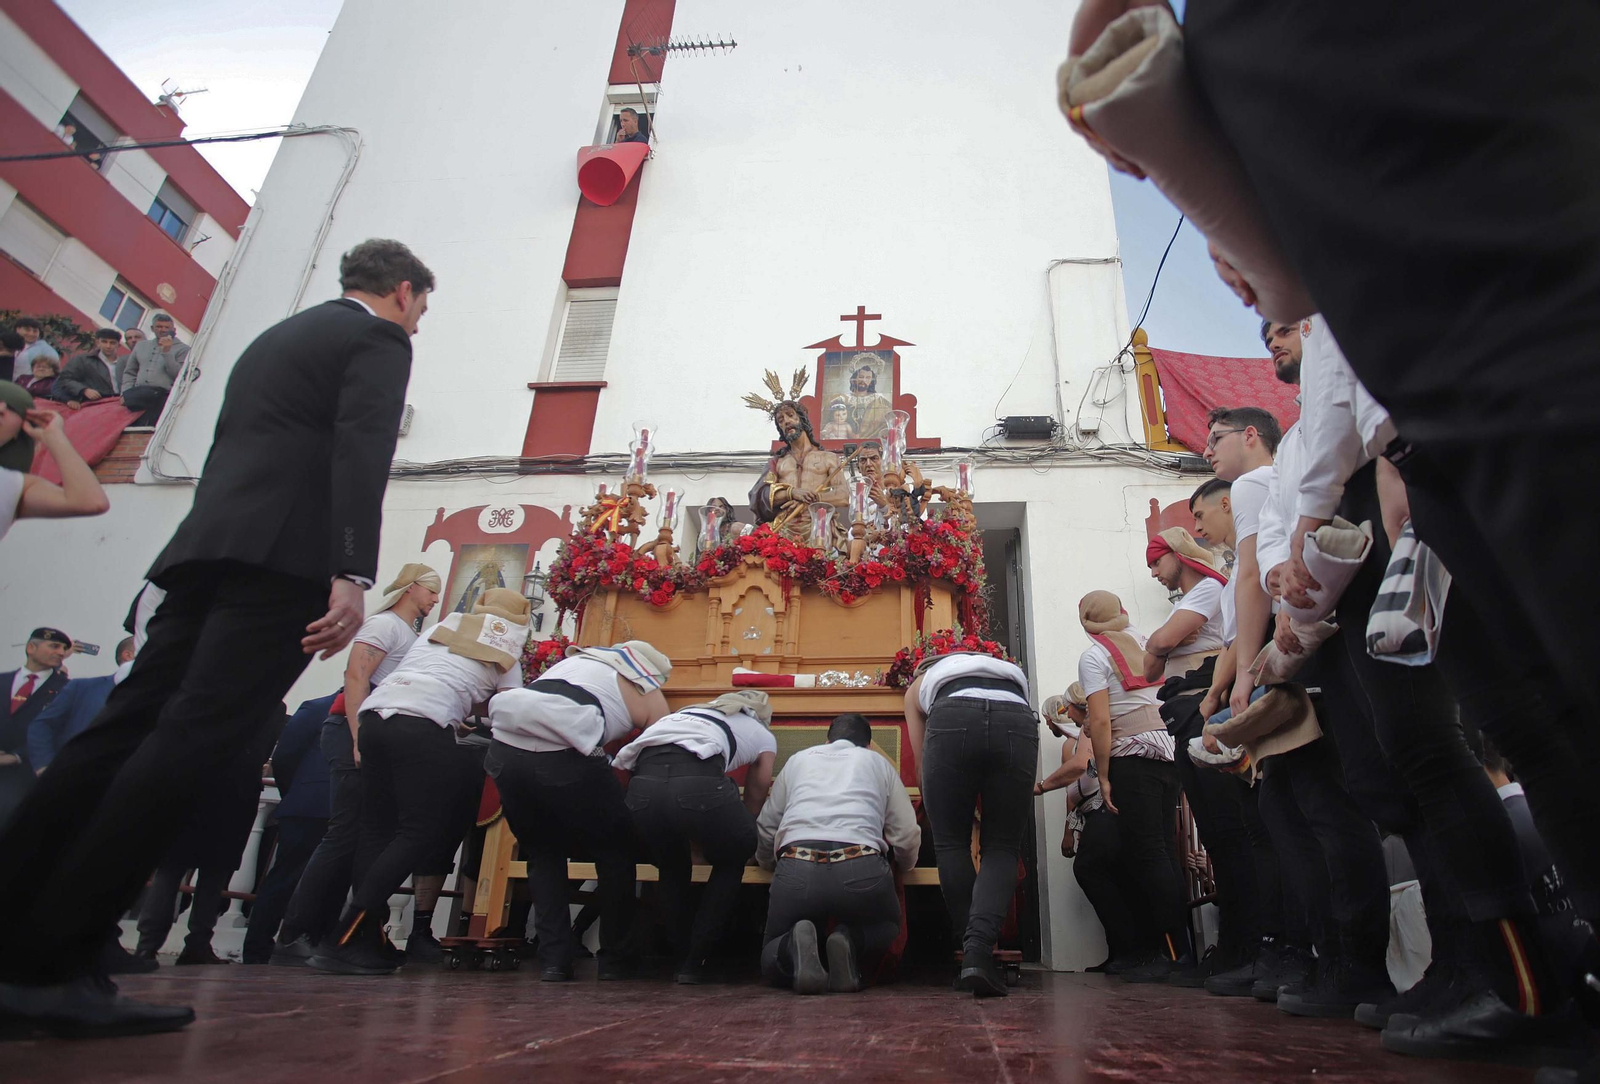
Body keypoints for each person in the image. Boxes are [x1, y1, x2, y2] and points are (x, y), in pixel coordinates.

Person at [0, 237, 432, 1037]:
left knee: (122, 730)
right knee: (192, 742)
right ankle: (53, 960)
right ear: (403, 293)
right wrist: (350, 571)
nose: (418, 322)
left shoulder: (276, 337)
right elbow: (360, 448)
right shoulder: (377, 338)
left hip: (206, 551)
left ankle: (19, 922)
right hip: (282, 560)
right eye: (422, 309)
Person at [310, 589, 528, 975]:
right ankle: (344, 934)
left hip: (376, 717)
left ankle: (366, 939)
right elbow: (508, 709)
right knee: (422, 832)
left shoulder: (447, 624)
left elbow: (435, 672)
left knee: (377, 830)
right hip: (422, 725)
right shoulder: (509, 641)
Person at [273, 563, 441, 964]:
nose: (435, 599)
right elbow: (355, 677)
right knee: (344, 834)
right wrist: (357, 735)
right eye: (431, 591)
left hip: (373, 731)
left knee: (365, 838)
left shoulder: (407, 633)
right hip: (355, 728)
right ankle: (292, 933)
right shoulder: (385, 626)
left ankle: (340, 934)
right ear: (411, 589)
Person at [485, 640, 671, 981]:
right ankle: (614, 958)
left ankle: (554, 960)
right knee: (615, 853)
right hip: (568, 759)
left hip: (506, 753)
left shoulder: (568, 667)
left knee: (542, 853)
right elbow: (665, 742)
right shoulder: (644, 686)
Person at [615, 689, 778, 984]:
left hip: (641, 789)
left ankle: (677, 955)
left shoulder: (680, 715)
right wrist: (740, 836)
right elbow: (757, 791)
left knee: (671, 866)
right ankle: (695, 960)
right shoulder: (760, 731)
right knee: (733, 855)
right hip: (698, 786)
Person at [1071, 591, 1192, 981]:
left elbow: (1103, 721)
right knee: (1165, 851)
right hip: (1169, 748)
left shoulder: (1094, 656)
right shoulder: (1143, 639)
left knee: (1147, 853)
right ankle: (1181, 949)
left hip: (1131, 755)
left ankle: (1167, 954)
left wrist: (1103, 776)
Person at [756, 712, 920, 994]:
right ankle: (848, 941)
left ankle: (792, 942)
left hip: (798, 865)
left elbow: (768, 824)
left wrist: (767, 863)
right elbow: (905, 832)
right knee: (888, 926)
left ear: (827, 740)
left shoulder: (799, 759)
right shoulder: (877, 762)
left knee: (771, 947)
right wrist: (904, 864)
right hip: (860, 867)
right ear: (868, 745)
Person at [904, 645, 1035, 997]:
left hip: (951, 718)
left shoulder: (921, 684)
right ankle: (980, 950)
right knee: (1003, 845)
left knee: (950, 844)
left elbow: (921, 763)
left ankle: (971, 953)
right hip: (1017, 716)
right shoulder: (1005, 671)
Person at [134, 707, 283, 966]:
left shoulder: (216, 695)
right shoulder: (271, 708)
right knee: (211, 876)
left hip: (193, 788)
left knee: (171, 871)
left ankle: (148, 946)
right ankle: (196, 945)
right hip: (233, 796)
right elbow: (261, 753)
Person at [241, 692, 337, 964]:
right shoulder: (317, 708)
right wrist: (295, 792)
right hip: (309, 807)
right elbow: (285, 755)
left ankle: (305, 942)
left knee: (327, 883)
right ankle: (258, 947)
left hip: (336, 808)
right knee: (285, 877)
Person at [0, 382, 111, 545]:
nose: (1, 408)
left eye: (11, 408)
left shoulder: (12, 484)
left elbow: (91, 501)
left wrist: (55, 437)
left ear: (19, 431)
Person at [26, 637, 136, 772]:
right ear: (128, 655)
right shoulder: (83, 688)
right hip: (75, 776)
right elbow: (42, 725)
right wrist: (44, 766)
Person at [749, 398, 849, 544]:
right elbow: (759, 496)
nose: (786, 421)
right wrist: (792, 493)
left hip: (819, 530)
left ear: (802, 419)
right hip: (784, 531)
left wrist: (812, 500)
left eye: (790, 415)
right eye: (781, 420)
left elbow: (843, 496)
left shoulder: (829, 458)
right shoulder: (777, 462)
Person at [1, 627, 73, 826]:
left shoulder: (66, 688)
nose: (60, 652)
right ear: (31, 648)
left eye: (64, 648)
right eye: (54, 646)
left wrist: (16, 755)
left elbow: (59, 731)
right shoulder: (2, 681)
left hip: (26, 772)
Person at [1140, 527, 1228, 682]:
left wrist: (1164, 644)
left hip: (1200, 683)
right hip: (1182, 688)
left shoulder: (1210, 587)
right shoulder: (1181, 605)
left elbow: (1162, 642)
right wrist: (1171, 644)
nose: (1154, 573)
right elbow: (1148, 673)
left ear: (1177, 554)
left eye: (1157, 562)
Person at [118, 313, 189, 425]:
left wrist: (167, 352)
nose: (163, 330)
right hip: (138, 396)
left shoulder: (183, 349)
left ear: (173, 330)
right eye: (159, 327)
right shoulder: (141, 346)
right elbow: (130, 372)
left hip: (163, 398)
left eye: (167, 327)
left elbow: (179, 375)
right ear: (152, 328)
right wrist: (125, 393)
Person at [55, 329, 126, 408]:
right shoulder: (83, 360)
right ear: (97, 342)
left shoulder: (125, 364)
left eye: (112, 343)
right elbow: (65, 379)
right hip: (94, 404)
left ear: (118, 345)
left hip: (119, 405)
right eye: (104, 342)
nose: (108, 346)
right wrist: (84, 390)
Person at [843, 356, 893, 440]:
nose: (864, 380)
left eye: (868, 378)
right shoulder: (844, 399)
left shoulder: (879, 399)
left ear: (871, 382)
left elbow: (890, 420)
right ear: (854, 379)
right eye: (861, 377)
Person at [9, 319, 58, 383]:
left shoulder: (45, 349)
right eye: (27, 330)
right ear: (18, 329)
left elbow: (53, 368)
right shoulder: (8, 345)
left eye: (35, 331)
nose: (31, 334)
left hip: (30, 387)